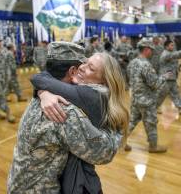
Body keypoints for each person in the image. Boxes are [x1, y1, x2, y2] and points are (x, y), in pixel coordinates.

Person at [8, 42, 129, 194]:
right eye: (83, 64)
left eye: (90, 67)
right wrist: (117, 131)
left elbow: (42, 79)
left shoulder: (48, 97)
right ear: (72, 71)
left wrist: (41, 92)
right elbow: (104, 153)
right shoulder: (64, 109)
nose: (83, 68)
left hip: (19, 182)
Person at [125, 40, 172, 153]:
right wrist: (164, 77)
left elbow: (128, 78)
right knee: (151, 123)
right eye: (151, 50)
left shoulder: (133, 62)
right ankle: (153, 146)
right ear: (146, 49)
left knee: (131, 122)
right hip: (146, 101)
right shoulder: (146, 64)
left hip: (135, 99)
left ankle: (121, 142)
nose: (152, 52)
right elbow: (154, 84)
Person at [157, 40, 181, 114]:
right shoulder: (165, 54)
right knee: (161, 94)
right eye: (171, 45)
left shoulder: (170, 53)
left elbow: (175, 63)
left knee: (175, 94)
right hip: (166, 79)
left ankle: (180, 107)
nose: (173, 47)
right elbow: (176, 55)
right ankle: (154, 107)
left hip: (172, 78)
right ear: (166, 47)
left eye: (173, 45)